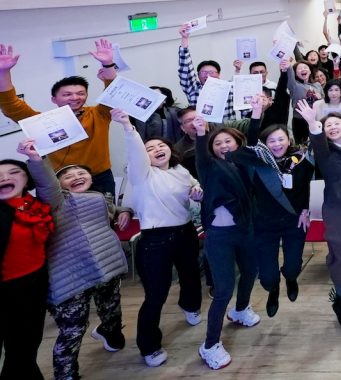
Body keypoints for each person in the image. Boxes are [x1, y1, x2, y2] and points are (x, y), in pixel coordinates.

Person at [20, 138, 129, 380]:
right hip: (70, 277)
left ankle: (111, 334)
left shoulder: (99, 197)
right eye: (68, 176)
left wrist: (125, 211)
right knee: (73, 330)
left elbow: (111, 211)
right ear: (59, 184)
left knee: (112, 310)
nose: (76, 177)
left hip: (106, 266)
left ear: (91, 178)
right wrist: (37, 159)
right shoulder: (56, 201)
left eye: (82, 173)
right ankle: (66, 375)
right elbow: (46, 183)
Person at [115, 110, 203, 368]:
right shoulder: (141, 174)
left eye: (161, 145)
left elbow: (195, 185)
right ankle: (149, 346)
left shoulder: (179, 170)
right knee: (156, 294)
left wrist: (197, 191)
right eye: (150, 148)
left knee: (191, 275)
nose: (157, 149)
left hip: (186, 231)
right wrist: (128, 126)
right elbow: (135, 152)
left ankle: (190, 305)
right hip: (156, 239)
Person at [0, 41, 119, 196]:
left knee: (107, 211)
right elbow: (11, 105)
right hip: (59, 181)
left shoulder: (98, 114)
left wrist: (108, 64)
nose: (75, 97)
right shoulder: (42, 121)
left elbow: (114, 93)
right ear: (54, 99)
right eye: (67, 94)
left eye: (81, 93)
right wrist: (3, 72)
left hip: (99, 178)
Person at [192, 115, 262, 370]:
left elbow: (252, 141)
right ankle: (210, 345)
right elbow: (201, 153)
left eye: (228, 141)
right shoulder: (209, 166)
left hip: (246, 231)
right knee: (223, 290)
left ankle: (241, 309)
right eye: (218, 143)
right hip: (220, 236)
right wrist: (201, 132)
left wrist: (257, 115)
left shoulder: (245, 164)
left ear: (237, 143)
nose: (223, 145)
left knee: (251, 272)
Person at [297, 100, 341, 329]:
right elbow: (317, 142)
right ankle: (340, 301)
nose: (332, 127)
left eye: (336, 123)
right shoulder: (325, 152)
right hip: (337, 208)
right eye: (328, 125)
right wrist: (313, 123)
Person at [243, 117, 315, 318]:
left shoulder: (301, 161)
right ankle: (273, 289)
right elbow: (250, 141)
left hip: (294, 221)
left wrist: (306, 210)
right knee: (267, 277)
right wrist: (257, 114)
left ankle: (291, 279)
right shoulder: (258, 163)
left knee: (293, 268)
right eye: (271, 141)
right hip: (265, 224)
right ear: (264, 144)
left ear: (288, 140)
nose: (277, 144)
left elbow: (308, 187)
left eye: (280, 139)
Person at [0, 156, 54, 380]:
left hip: (35, 283)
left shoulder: (35, 205)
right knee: (18, 350)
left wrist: (34, 158)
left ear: (27, 179)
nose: (4, 178)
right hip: (5, 290)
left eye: (13, 172)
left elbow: (50, 183)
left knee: (27, 346)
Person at [177, 26, 234, 114]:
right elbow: (186, 69)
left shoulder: (227, 88)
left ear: (219, 74)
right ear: (198, 75)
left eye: (211, 72)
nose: (207, 75)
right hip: (201, 123)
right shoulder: (193, 89)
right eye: (203, 72)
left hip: (227, 123)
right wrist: (184, 39)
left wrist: (237, 70)